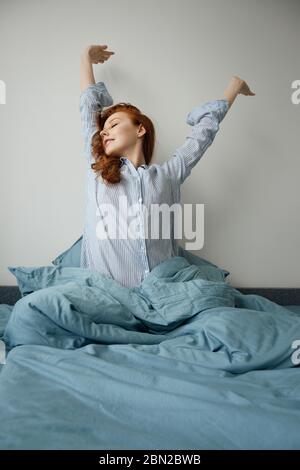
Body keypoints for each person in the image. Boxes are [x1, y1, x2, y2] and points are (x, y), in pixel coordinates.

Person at [79, 43, 255, 288]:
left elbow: (202, 136)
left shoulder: (167, 176)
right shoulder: (97, 170)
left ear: (140, 129)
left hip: (162, 295)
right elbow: (88, 109)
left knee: (217, 300)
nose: (105, 133)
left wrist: (233, 89)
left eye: (115, 124)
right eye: (104, 129)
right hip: (109, 296)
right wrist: (85, 59)